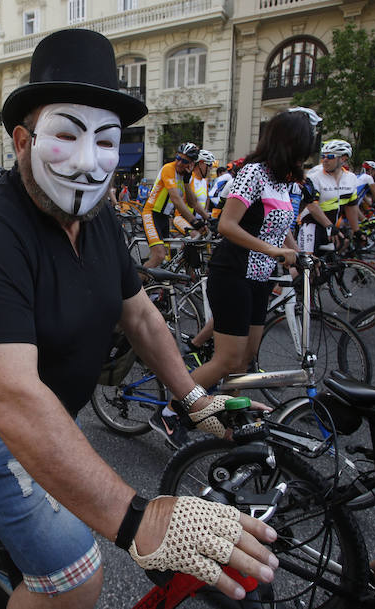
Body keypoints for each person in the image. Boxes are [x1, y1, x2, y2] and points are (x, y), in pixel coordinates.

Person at [0, 29, 278, 609]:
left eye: (105, 142)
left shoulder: (99, 217)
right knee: (76, 579)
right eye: (66, 136)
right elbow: (10, 394)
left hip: (49, 413)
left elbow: (141, 315)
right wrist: (138, 520)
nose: (87, 163)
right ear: (23, 141)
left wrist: (194, 400)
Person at [186, 109, 312, 417]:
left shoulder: (284, 181)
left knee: (245, 360)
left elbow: (280, 227)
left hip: (260, 278)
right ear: (289, 144)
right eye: (304, 148)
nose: (306, 156)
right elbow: (227, 225)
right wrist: (274, 251)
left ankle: (230, 415)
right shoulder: (253, 172)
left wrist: (297, 257)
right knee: (227, 361)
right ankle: (174, 410)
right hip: (233, 273)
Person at [141, 142, 208, 268]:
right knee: (159, 255)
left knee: (165, 258)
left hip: (164, 218)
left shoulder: (186, 176)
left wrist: (208, 218)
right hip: (151, 213)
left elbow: (192, 202)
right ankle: (135, 286)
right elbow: (176, 199)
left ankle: (154, 284)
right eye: (178, 158)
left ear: (192, 164)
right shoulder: (168, 169)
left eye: (184, 161)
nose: (179, 163)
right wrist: (194, 221)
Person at [306, 139, 360, 240]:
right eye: (323, 156)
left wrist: (357, 230)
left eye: (330, 156)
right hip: (310, 225)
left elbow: (351, 206)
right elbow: (313, 206)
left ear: (343, 159)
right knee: (309, 256)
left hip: (333, 227)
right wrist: (329, 226)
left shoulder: (351, 178)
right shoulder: (314, 177)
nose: (325, 160)